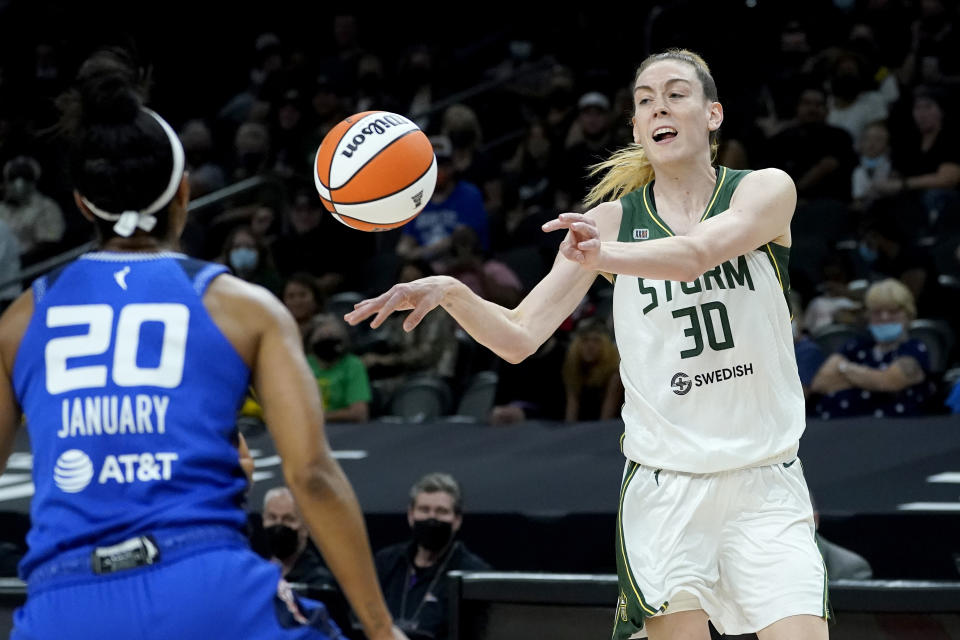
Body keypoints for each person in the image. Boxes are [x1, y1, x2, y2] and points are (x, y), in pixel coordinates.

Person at [348, 48, 828, 639]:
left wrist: (605, 258)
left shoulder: (762, 191)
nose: (660, 107)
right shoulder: (608, 222)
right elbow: (521, 337)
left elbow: (697, 254)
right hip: (665, 485)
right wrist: (452, 292)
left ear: (713, 114)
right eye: (646, 101)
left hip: (766, 478)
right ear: (635, 127)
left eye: (677, 94)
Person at [0, 49, 406, 640]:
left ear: (83, 203)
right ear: (184, 193)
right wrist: (381, 628)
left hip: (64, 601)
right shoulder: (242, 307)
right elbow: (312, 475)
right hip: (203, 583)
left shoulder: (18, 320)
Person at [375, 473, 491, 640]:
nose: (432, 518)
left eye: (441, 511)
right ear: (410, 515)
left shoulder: (473, 574)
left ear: (457, 520)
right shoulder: (386, 562)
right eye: (424, 510)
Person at [811, 278, 932, 419]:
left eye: (893, 311)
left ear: (908, 314)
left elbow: (888, 381)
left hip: (894, 431)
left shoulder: (915, 349)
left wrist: (844, 369)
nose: (884, 317)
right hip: (838, 428)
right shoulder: (855, 346)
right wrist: (871, 378)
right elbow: (820, 383)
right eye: (877, 312)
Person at [262, 487, 335, 589]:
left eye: (288, 519)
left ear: (306, 527)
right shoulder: (256, 574)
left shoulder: (318, 582)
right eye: (272, 517)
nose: (278, 525)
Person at [306, 314, 372, 423]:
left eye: (331, 337)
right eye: (321, 337)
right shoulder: (303, 365)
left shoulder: (353, 365)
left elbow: (359, 414)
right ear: (311, 340)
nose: (327, 342)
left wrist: (320, 417)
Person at [562, 318, 622, 422]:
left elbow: (606, 419)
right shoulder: (573, 370)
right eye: (585, 340)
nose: (590, 346)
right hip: (581, 429)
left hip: (608, 429)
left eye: (596, 341)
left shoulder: (614, 375)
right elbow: (571, 411)